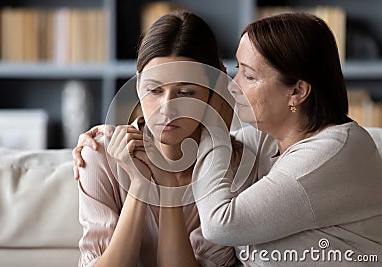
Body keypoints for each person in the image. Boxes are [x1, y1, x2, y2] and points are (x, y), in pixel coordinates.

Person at [75, 13, 382, 266]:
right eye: (154, 89)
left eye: (248, 76)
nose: (232, 87)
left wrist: (209, 122)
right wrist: (108, 137)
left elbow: (221, 222)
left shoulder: (259, 161)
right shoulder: (266, 143)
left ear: (298, 92)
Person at [76, 10, 238, 267]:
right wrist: (140, 186)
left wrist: (167, 185)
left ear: (213, 88)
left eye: (185, 92)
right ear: (138, 85)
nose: (167, 108)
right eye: (154, 90)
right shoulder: (99, 153)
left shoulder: (234, 167)